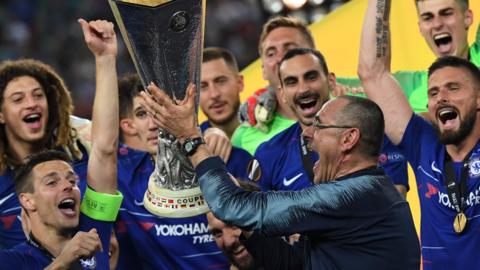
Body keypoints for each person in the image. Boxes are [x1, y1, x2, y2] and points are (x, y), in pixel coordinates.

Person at [141, 82, 421, 269]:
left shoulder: (354, 195)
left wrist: (190, 138)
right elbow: (294, 264)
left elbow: (230, 206)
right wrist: (246, 226)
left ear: (348, 138)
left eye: (318, 126)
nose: (307, 133)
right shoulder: (366, 193)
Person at [358, 0, 480, 268]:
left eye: (453, 88)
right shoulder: (422, 143)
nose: (441, 98)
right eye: (433, 93)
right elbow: (372, 74)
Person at [0, 18, 121, 269]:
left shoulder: (92, 233)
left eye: (72, 180)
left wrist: (105, 58)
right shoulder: (11, 260)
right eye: (18, 98)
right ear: (26, 201)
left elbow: (105, 148)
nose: (67, 185)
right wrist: (62, 263)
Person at [114, 73, 251, 269]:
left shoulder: (229, 161)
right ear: (129, 125)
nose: (154, 124)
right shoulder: (127, 178)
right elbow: (101, 147)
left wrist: (213, 131)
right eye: (143, 114)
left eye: (160, 110)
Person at [251, 47, 408, 196]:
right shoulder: (269, 154)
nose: (303, 89)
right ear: (282, 93)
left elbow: (394, 196)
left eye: (311, 77)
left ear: (331, 81)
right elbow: (257, 216)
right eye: (292, 82)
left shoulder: (373, 130)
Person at [231, 16, 315, 155]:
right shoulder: (243, 138)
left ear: (315, 56)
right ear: (263, 70)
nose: (280, 59)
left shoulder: (352, 98)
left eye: (289, 49)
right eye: (271, 53)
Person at [200, 47, 244, 139]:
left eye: (221, 81)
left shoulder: (271, 125)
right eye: (203, 86)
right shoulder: (189, 149)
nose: (214, 94)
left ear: (240, 83)